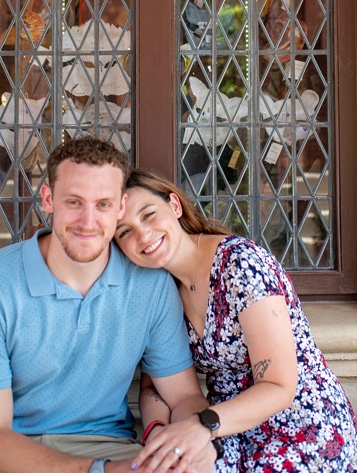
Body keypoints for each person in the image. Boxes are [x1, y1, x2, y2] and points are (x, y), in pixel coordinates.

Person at [0, 136, 216, 473]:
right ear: (48, 199)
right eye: (74, 202)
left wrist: (194, 437)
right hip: (6, 456)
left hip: (106, 447)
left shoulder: (151, 285)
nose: (88, 221)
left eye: (103, 205)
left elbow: (183, 397)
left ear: (120, 207)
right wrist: (100, 472)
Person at [114, 168, 357, 471]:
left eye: (148, 215)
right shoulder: (161, 291)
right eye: (124, 231)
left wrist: (202, 426)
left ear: (174, 206)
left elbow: (279, 386)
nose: (142, 234)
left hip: (303, 422)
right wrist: (160, 434)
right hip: (227, 429)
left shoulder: (240, 264)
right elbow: (156, 385)